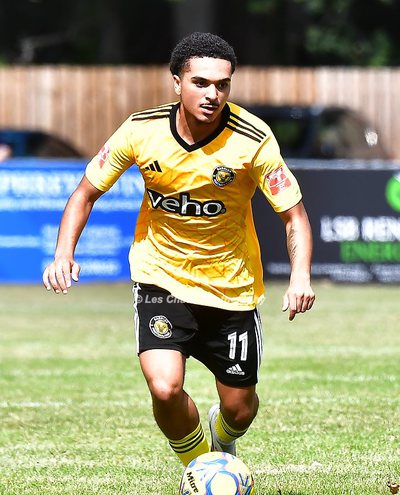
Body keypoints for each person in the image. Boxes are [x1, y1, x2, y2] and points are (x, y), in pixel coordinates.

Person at [43, 32, 315, 469]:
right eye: (200, 82)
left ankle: (222, 437)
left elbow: (294, 216)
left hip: (231, 289)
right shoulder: (141, 130)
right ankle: (201, 469)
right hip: (160, 279)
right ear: (176, 82)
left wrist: (300, 276)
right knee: (165, 388)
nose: (212, 94)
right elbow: (84, 193)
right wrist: (63, 253)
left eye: (222, 85)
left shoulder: (253, 138)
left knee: (240, 410)